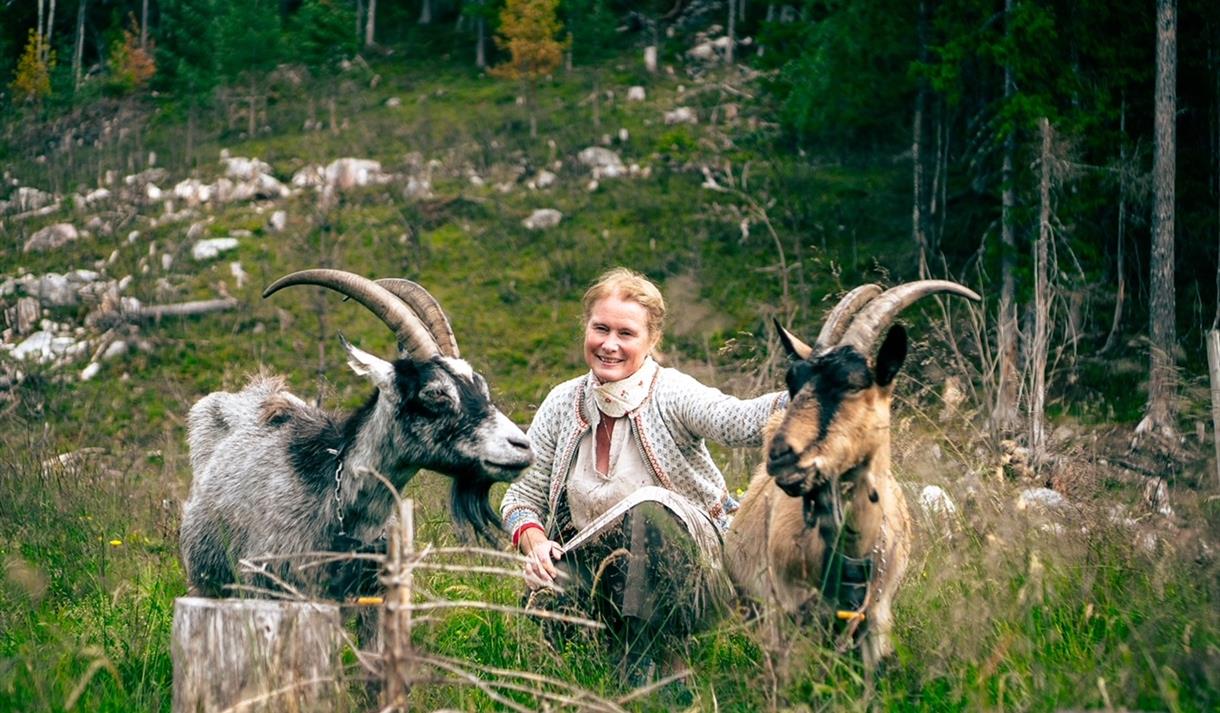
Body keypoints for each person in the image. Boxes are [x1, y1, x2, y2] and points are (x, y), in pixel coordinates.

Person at [499, 267, 786, 674]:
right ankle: (604, 664)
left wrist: (809, 391)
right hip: (604, 572)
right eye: (601, 329)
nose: (609, 345)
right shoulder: (563, 401)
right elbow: (520, 498)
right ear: (586, 329)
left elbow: (733, 420)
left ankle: (651, 667)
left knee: (649, 507)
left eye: (626, 334)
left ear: (652, 341)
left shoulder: (670, 391)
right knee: (546, 611)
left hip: (698, 577)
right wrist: (536, 544)